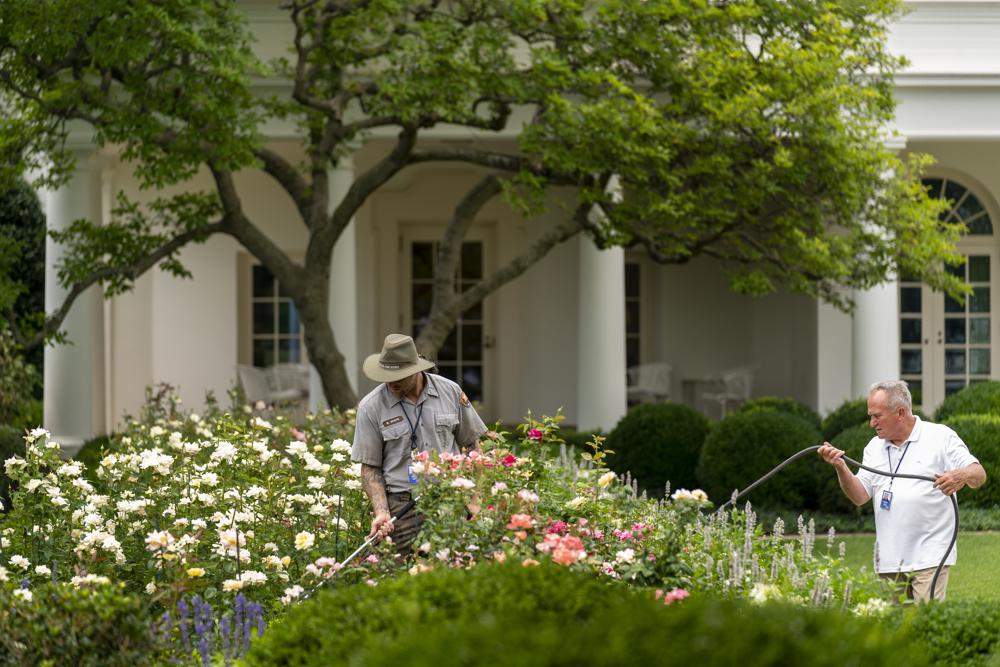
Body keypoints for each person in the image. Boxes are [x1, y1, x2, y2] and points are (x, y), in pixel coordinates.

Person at [818, 380, 987, 602]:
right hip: (889, 560)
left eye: (877, 416)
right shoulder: (874, 447)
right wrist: (841, 468)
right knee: (896, 631)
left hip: (930, 556)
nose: (872, 423)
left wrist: (960, 476)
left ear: (900, 412)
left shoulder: (940, 436)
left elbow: (979, 473)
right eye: (870, 416)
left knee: (925, 626)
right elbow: (859, 496)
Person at [351, 333, 487, 555]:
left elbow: (473, 448)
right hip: (402, 505)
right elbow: (370, 468)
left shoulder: (450, 392)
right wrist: (381, 512)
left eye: (399, 376)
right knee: (394, 576)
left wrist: (475, 500)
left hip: (449, 500)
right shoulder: (371, 407)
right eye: (386, 375)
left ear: (416, 369)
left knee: (456, 569)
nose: (391, 382)